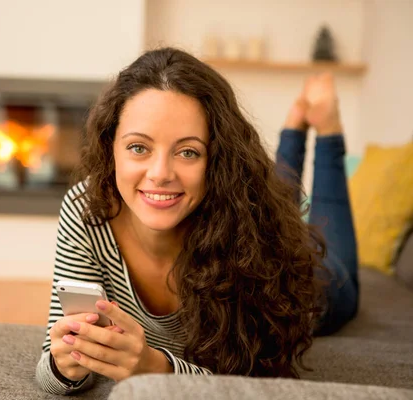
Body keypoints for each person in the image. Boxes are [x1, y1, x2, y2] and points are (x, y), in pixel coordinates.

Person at [35, 47, 359, 395]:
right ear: (110, 146)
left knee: (335, 265)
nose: (159, 174)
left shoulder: (251, 231)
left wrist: (152, 367)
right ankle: (293, 127)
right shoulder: (87, 209)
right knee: (281, 193)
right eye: (138, 148)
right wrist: (64, 365)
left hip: (309, 288)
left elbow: (247, 386)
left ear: (215, 159)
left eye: (187, 152)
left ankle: (327, 129)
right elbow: (51, 372)